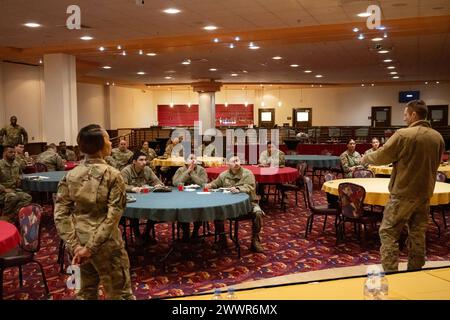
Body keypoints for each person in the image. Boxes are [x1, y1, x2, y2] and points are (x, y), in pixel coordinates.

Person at [362, 100, 445, 273]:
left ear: (414, 115)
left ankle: (391, 273)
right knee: (417, 233)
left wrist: (364, 159)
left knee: (388, 232)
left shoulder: (403, 135)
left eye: (406, 114)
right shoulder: (437, 137)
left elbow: (382, 156)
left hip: (402, 194)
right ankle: (415, 272)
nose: (404, 118)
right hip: (424, 194)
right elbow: (436, 165)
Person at [54, 124, 135, 300]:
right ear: (99, 146)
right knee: (120, 294)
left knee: (83, 294)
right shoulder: (113, 175)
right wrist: (90, 248)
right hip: (106, 246)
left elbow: (60, 215)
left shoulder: (70, 176)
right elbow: (113, 217)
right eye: (107, 139)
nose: (111, 143)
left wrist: (75, 246)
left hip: (78, 244)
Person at [205, 156, 264, 253]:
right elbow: (216, 183)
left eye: (238, 160)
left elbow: (250, 187)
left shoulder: (247, 174)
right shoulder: (224, 175)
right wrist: (210, 185)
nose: (236, 163)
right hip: (229, 205)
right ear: (228, 164)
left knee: (258, 213)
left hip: (248, 203)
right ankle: (222, 240)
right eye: (233, 161)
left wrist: (239, 189)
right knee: (217, 212)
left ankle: (255, 241)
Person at [121, 151, 164, 245]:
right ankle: (137, 235)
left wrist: (157, 185)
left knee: (155, 210)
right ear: (134, 161)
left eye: (145, 160)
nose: (144, 162)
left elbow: (157, 181)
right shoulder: (126, 171)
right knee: (134, 213)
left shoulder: (147, 169)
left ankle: (146, 233)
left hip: (146, 198)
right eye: (141, 160)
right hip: (132, 199)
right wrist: (132, 188)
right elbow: (121, 186)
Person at [172, 154, 208, 241]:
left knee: (199, 209)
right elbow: (175, 183)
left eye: (195, 158)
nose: (193, 160)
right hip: (183, 195)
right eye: (191, 158)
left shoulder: (201, 170)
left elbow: (203, 183)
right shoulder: (180, 170)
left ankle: (195, 231)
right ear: (185, 161)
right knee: (183, 210)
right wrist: (187, 171)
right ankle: (185, 231)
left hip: (198, 195)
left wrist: (192, 173)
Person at [0, 145, 32, 223]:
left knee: (28, 197)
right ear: (4, 153)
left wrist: (19, 180)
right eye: (10, 152)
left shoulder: (16, 164)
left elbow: (19, 176)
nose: (13, 154)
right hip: (2, 192)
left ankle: (9, 216)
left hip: (14, 190)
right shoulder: (0, 165)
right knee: (12, 196)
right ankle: (5, 218)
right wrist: (4, 189)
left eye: (14, 152)